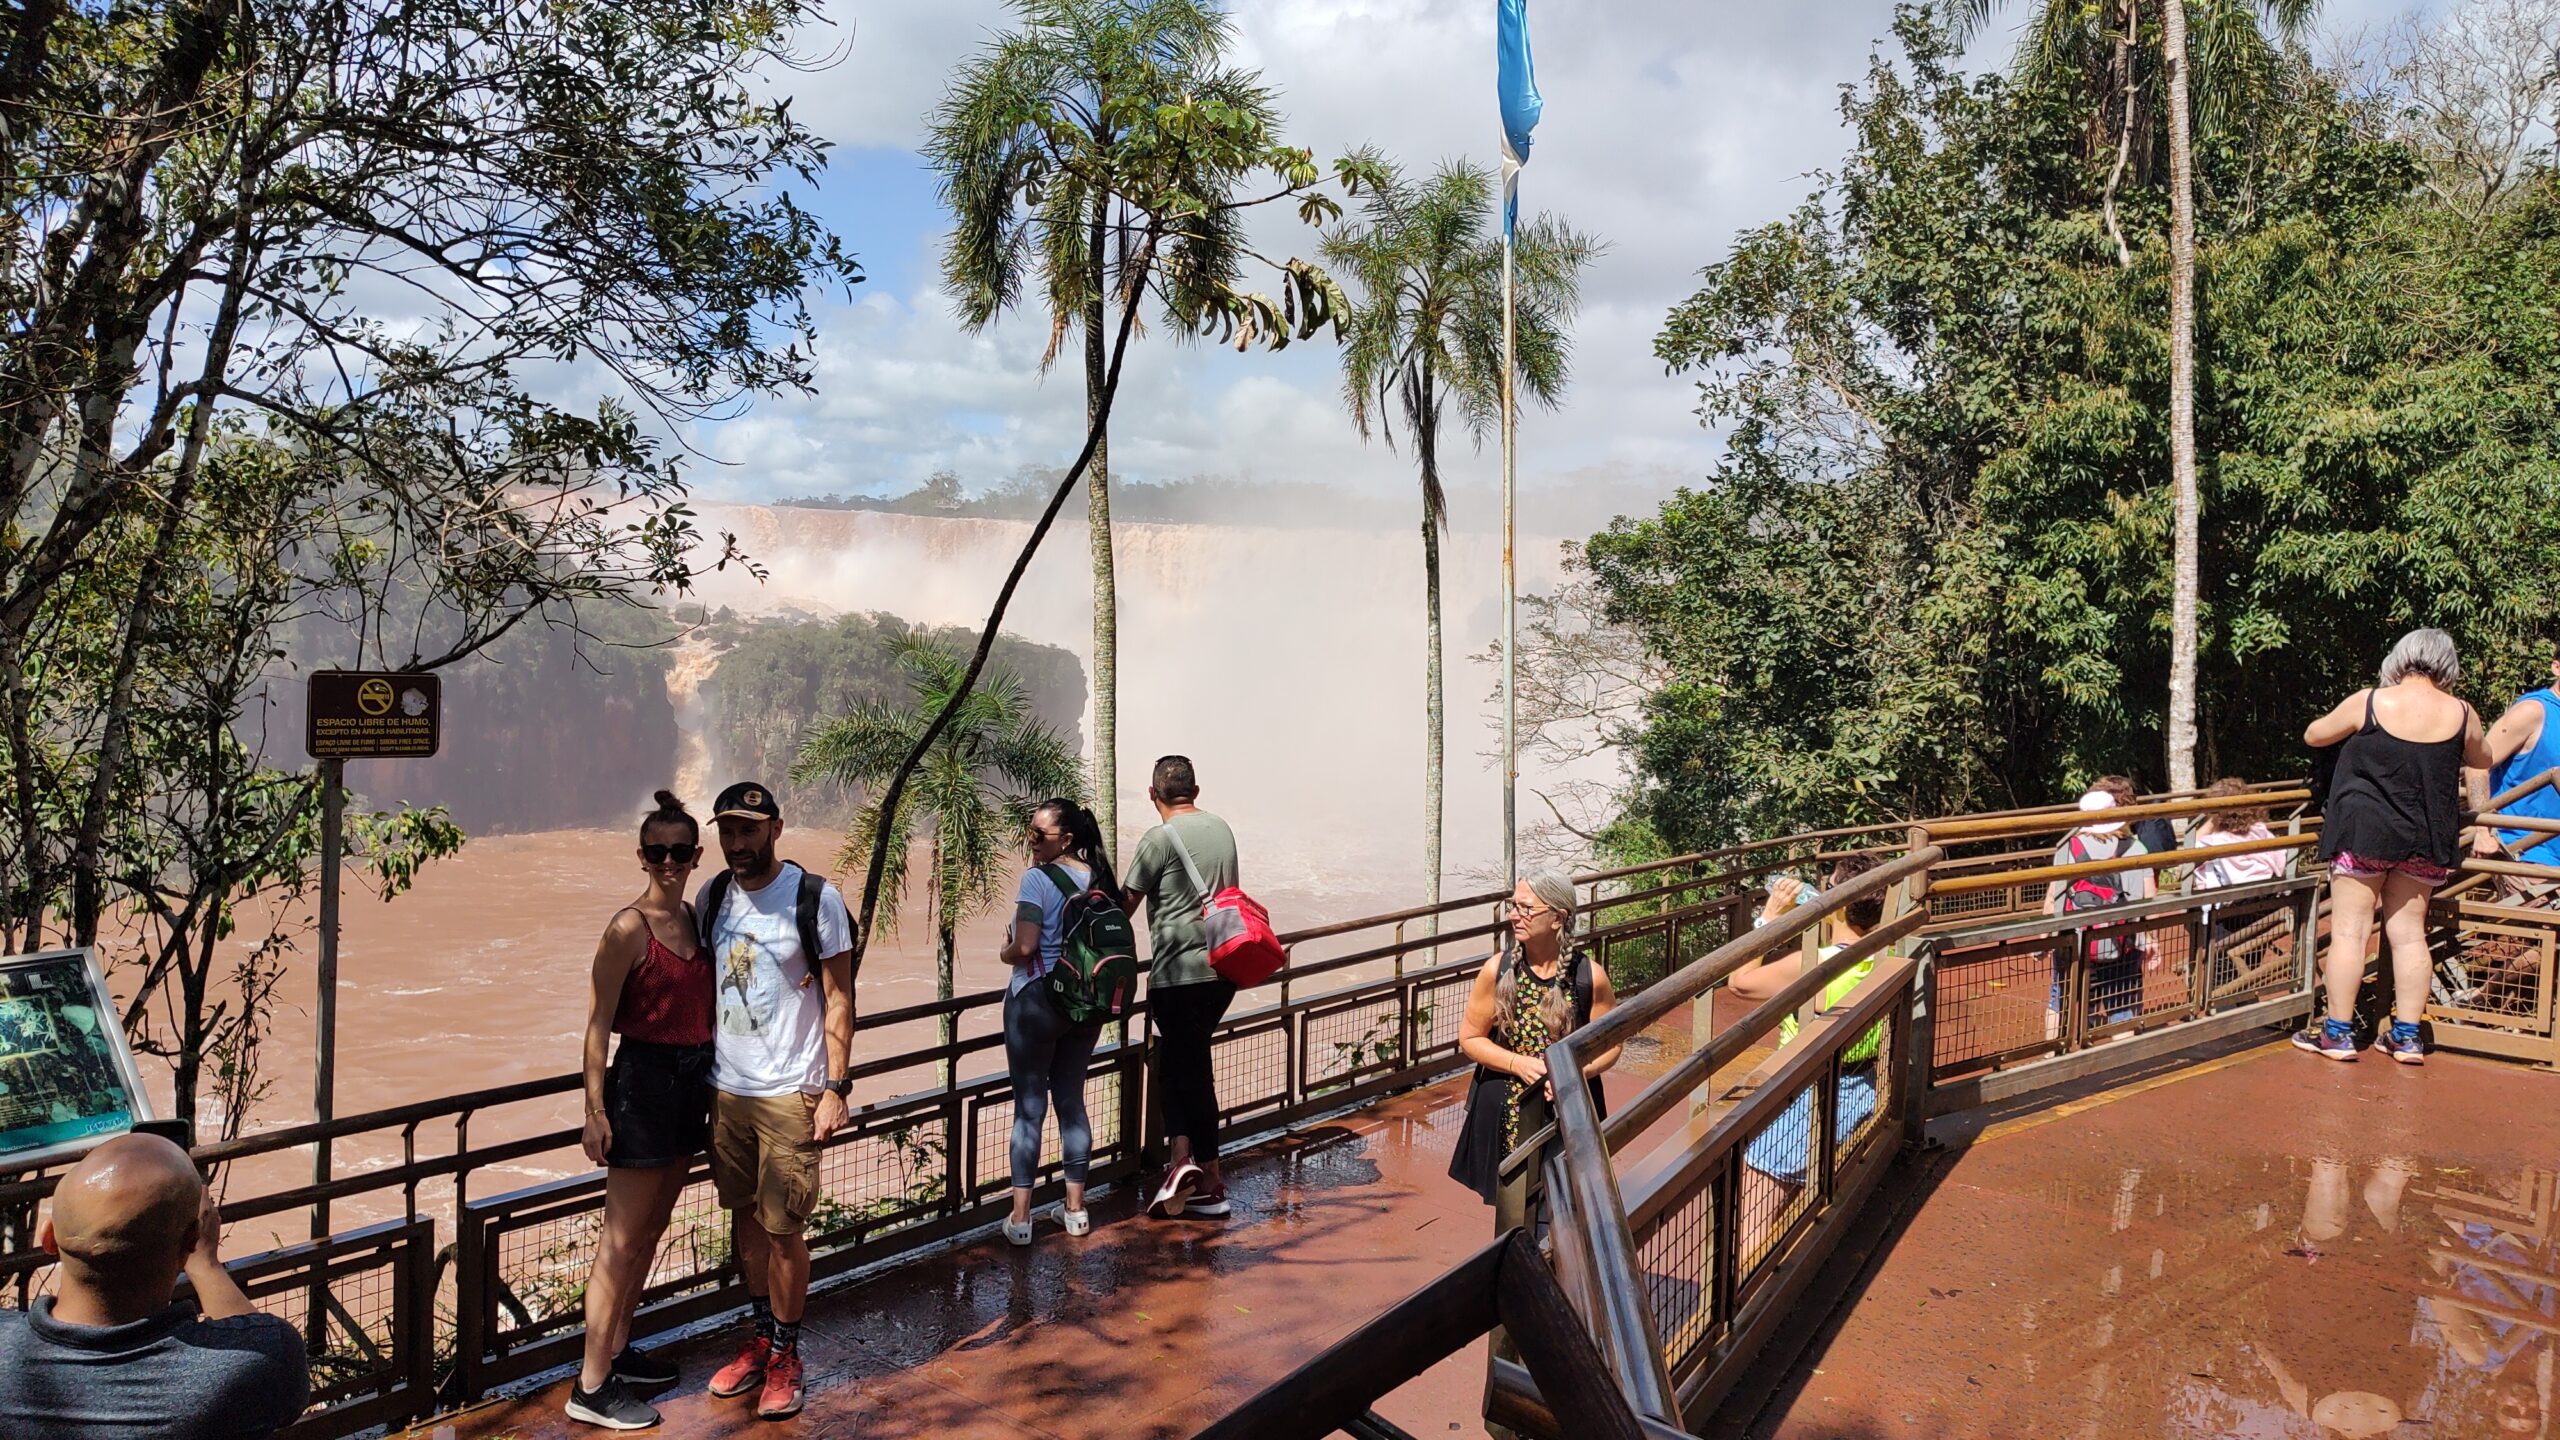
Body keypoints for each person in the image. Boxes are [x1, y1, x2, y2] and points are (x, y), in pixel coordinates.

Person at [695, 781, 854, 1422]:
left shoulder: (815, 898)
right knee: (745, 1221)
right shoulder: (712, 897)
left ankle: (788, 1352)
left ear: (775, 830)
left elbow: (840, 997)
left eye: (749, 831)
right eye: (728, 831)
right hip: (727, 1090)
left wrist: (835, 1087)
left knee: (785, 1231)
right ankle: (762, 1335)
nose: (737, 843)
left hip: (791, 1091)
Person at [565, 790, 713, 1431]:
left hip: (692, 1083)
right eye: (658, 852)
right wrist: (594, 1110)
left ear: (696, 855)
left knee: (652, 1228)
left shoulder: (698, 921)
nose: (669, 861)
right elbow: (598, 1024)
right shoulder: (628, 929)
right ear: (642, 856)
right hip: (643, 1083)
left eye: (680, 851)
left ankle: (618, 1349)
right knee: (620, 1242)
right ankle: (591, 1385)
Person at [0, 1133, 310, 1438]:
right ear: (192, 1240)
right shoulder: (260, 1361)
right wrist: (206, 1265)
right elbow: (265, 1361)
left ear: (48, 1239)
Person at [2299, 628, 2493, 1064]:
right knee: (2408, 936)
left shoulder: (2369, 701)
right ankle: (2406, 1039)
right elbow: (2484, 759)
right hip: (2425, 835)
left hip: (2362, 831)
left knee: (2349, 931)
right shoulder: (2463, 713)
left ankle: (2337, 1035)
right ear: (2448, 664)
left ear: (2399, 657)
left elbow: (2315, 735)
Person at [1446, 869, 1620, 1206]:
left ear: (1558, 918)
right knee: (1513, 1209)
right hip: (1504, 1109)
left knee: (1567, 1205)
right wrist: (1517, 1063)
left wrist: (1575, 1074)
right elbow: (1469, 1038)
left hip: (1568, 1106)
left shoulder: (1589, 977)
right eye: (1513, 906)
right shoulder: (1496, 970)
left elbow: (1611, 1044)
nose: (1514, 915)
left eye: (1526, 908)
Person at [1728, 852, 1889, 1217]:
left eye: (1828, 887)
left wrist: (1768, 920)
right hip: (1860, 1087)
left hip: (1806, 1095)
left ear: (1839, 903)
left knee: (1755, 1209)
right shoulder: (1888, 952)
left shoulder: (1816, 965)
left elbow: (1739, 983)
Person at [1123, 755, 1242, 1219]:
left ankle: (1197, 1174)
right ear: (1197, 790)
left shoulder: (1158, 838)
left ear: (1153, 794)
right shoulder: (1222, 829)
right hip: (1222, 971)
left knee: (1177, 1069)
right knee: (1193, 1067)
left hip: (1178, 976)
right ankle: (1192, 1168)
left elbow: (1125, 904)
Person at [997, 798, 1116, 1245]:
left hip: (1037, 1003)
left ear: (1065, 839)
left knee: (1029, 1110)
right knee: (1071, 1100)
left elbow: (1025, 947)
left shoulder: (1037, 879)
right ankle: (1076, 1211)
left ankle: (1021, 1220)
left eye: (1039, 836)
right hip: (1086, 1003)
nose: (1030, 842)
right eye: (1029, 832)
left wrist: (1004, 951)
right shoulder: (1100, 876)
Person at [2043, 788, 2158, 1035]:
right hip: (2122, 939)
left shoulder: (2068, 847)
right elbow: (2150, 901)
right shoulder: (2136, 849)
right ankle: (2122, 1060)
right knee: (2122, 1001)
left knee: (2059, 997)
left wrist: (2045, 938)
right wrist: (2150, 938)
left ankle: (2052, 1055)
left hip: (2075, 939)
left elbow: (2054, 897)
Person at [2482, 632, 2560, 867]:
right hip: (2525, 853)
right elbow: (2479, 763)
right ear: (2556, 668)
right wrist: (2482, 831)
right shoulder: (2534, 711)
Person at [2189, 777, 2286, 891]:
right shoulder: (2259, 830)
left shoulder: (2213, 841)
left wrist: (2211, 822)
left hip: (2229, 895)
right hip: (2266, 888)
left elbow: (2187, 852)